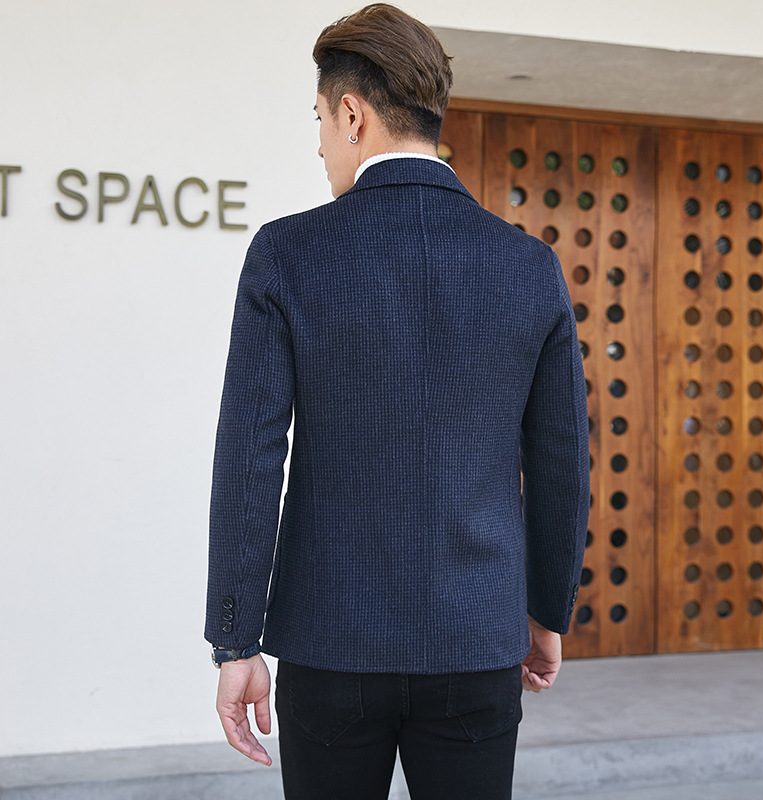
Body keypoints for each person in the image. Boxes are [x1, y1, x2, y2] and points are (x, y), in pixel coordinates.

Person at [204, 4, 590, 799]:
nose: (319, 143)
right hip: (476, 638)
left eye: (318, 120)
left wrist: (235, 641)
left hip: (328, 643)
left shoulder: (287, 254)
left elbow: (250, 457)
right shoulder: (528, 266)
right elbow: (560, 464)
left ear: (352, 114)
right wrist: (547, 614)